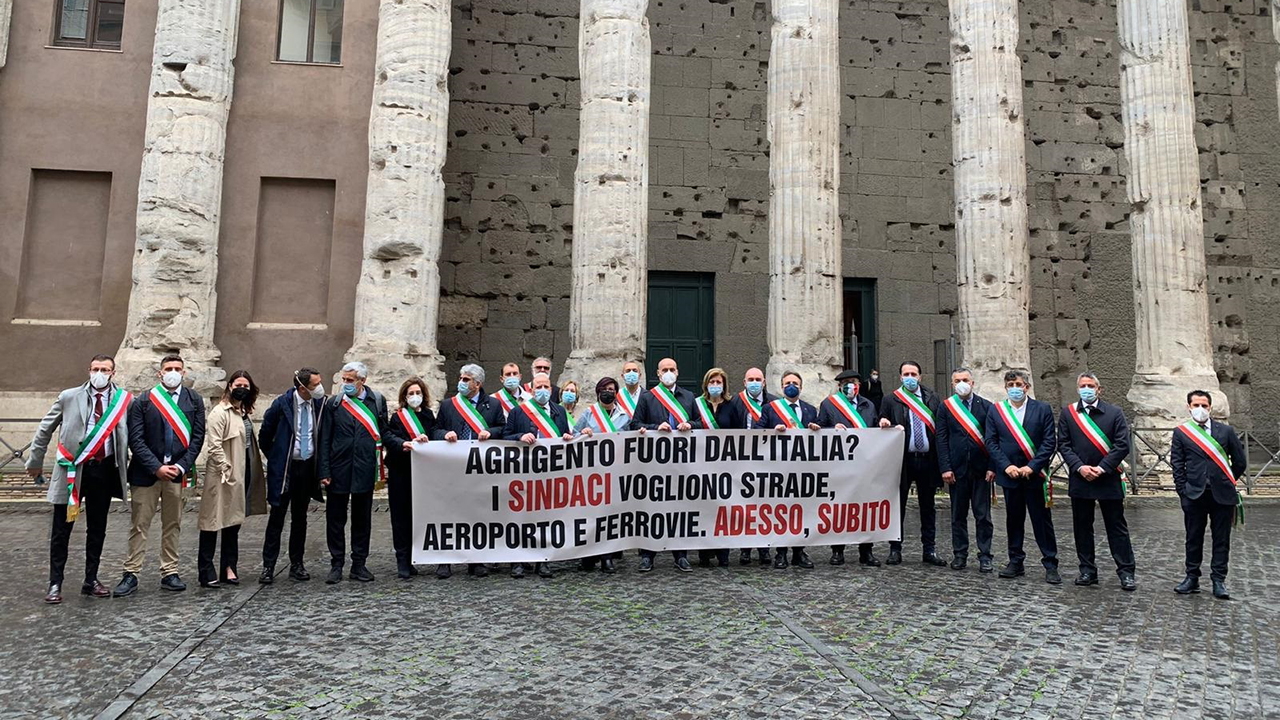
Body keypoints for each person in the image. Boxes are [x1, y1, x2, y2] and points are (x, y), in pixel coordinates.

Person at [27, 354, 132, 604]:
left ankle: (91, 579)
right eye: (96, 369)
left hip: (104, 470)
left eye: (105, 370)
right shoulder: (69, 396)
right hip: (72, 471)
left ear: (113, 373)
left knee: (97, 528)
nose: (99, 374)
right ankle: (55, 583)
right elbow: (45, 428)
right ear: (89, 370)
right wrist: (35, 461)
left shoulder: (125, 401)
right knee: (61, 529)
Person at [115, 354, 207, 597]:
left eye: (177, 368)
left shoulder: (194, 400)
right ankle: (131, 572)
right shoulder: (144, 400)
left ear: (184, 372)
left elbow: (198, 438)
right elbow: (136, 439)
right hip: (146, 474)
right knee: (139, 524)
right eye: (168, 368)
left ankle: (170, 571)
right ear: (160, 373)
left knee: (173, 524)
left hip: (177, 473)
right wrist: (156, 467)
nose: (173, 372)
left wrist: (181, 466)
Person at [1058, 372, 1135, 591]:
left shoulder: (1114, 413)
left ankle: (1126, 572)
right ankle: (1087, 570)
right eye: (1083, 386)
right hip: (1080, 477)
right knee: (1082, 527)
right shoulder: (1068, 413)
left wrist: (1102, 468)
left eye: (1090, 386)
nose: (1086, 389)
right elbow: (1063, 444)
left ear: (1099, 389)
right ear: (1077, 389)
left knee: (1116, 527)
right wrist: (1080, 467)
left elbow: (1122, 444)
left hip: (1107, 477)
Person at [985, 369, 1060, 585]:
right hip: (1010, 475)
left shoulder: (1042, 409)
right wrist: (1006, 466)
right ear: (1005, 388)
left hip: (1034, 476)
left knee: (1041, 521)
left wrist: (1032, 467)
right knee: (1014, 520)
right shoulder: (997, 410)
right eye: (1010, 385)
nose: (1015, 389)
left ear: (1026, 386)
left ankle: (1050, 564)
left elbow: (1049, 442)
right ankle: (1016, 561)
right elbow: (991, 442)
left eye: (1018, 384)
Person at [318, 361, 388, 584]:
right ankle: (336, 564)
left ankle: (359, 564)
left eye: (350, 380)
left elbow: (384, 433)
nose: (345, 383)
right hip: (338, 468)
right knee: (335, 520)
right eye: (344, 379)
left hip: (365, 467)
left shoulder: (377, 401)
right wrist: (324, 470)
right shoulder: (334, 403)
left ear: (362, 381)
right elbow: (325, 438)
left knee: (362, 519)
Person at [1171, 390, 1246, 600]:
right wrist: (1183, 491)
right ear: (1189, 407)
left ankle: (1218, 580)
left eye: (1204, 405)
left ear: (1210, 408)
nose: (1200, 409)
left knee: (1221, 539)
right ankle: (1192, 577)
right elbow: (1177, 464)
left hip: (1222, 494)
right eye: (1196, 405)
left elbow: (1240, 461)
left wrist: (1226, 480)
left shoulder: (1226, 431)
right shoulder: (1182, 433)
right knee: (1193, 538)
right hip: (1194, 494)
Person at [433, 363, 503, 578]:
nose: (461, 382)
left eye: (466, 379)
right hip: (453, 468)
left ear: (477, 384)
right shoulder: (448, 405)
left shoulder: (493, 404)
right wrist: (444, 434)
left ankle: (476, 561)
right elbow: (435, 430)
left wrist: (490, 432)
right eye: (461, 378)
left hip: (480, 469)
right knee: (449, 513)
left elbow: (503, 428)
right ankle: (445, 560)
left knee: (477, 514)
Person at [629, 357, 699, 572]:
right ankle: (648, 555)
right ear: (658, 374)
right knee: (652, 510)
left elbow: (700, 423)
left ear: (677, 372)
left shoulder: (688, 397)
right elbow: (635, 424)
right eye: (664, 369)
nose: (669, 372)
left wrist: (690, 424)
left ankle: (681, 555)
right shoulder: (648, 397)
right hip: (654, 465)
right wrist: (654, 428)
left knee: (680, 509)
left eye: (672, 369)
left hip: (682, 464)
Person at [198, 371, 267, 587]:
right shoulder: (220, 412)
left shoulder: (243, 411)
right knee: (212, 521)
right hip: (222, 475)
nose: (242, 389)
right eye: (239, 385)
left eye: (246, 386)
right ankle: (206, 570)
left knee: (233, 522)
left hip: (241, 472)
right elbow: (214, 445)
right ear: (229, 386)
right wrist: (225, 468)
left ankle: (229, 567)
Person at [258, 368, 326, 584]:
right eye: (315, 385)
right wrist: (277, 458)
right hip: (285, 469)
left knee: (300, 518)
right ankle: (268, 566)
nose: (320, 388)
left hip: (306, 469)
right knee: (277, 518)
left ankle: (297, 563)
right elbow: (265, 435)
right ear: (302, 388)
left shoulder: (319, 404)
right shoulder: (282, 404)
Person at [503, 372, 574, 579]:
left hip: (551, 474)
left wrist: (567, 437)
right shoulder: (518, 412)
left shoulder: (559, 411)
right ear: (531, 390)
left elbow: (565, 435)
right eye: (538, 387)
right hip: (524, 474)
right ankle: (518, 561)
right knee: (521, 518)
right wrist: (520, 436)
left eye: (546, 387)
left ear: (551, 390)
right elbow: (505, 437)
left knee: (547, 519)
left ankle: (543, 561)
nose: (542, 390)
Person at [878, 361, 945, 567]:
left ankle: (929, 549)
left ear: (920, 377)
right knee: (898, 506)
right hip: (903, 461)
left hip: (927, 460)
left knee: (928, 507)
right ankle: (895, 549)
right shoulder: (891, 399)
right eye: (906, 374)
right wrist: (885, 423)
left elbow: (940, 428)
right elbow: (881, 423)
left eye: (913, 374)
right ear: (900, 377)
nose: (910, 377)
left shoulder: (932, 398)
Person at [816, 369, 880, 567]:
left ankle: (866, 550)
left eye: (853, 382)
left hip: (865, 466)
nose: (850, 386)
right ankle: (837, 550)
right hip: (839, 466)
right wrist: (831, 430)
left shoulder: (868, 405)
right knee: (839, 507)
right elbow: (818, 429)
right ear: (839, 386)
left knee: (865, 508)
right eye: (845, 383)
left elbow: (876, 431)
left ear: (859, 385)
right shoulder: (829, 405)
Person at [935, 367, 995, 573]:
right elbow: (941, 439)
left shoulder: (986, 406)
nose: (962, 383)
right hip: (956, 470)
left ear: (972, 383)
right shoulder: (946, 407)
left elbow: (993, 440)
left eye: (965, 380)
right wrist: (945, 467)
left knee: (983, 516)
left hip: (981, 470)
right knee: (958, 516)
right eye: (958, 380)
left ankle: (985, 555)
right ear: (952, 384)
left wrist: (992, 467)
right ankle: (960, 554)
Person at [760, 371, 821, 569]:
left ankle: (799, 552)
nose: (791, 386)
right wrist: (772, 431)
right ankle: (781, 553)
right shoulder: (770, 409)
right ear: (781, 387)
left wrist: (816, 429)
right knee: (781, 511)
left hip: (803, 469)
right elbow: (756, 433)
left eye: (795, 383)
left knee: (801, 511)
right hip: (779, 469)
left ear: (801, 387)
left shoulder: (810, 410)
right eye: (787, 383)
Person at [718, 366, 775, 566]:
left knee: (764, 505)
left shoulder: (774, 403)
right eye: (750, 380)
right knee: (745, 506)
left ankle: (764, 548)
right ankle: (745, 549)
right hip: (742, 461)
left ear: (764, 382)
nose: (754, 383)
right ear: (744, 383)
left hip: (767, 461)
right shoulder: (735, 402)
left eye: (758, 379)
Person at [573, 376, 631, 574]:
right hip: (591, 473)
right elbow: (572, 436)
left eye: (612, 389)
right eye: (605, 389)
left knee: (609, 516)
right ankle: (588, 557)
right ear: (598, 392)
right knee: (590, 516)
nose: (608, 392)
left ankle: (607, 557)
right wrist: (582, 433)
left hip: (614, 473)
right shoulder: (589, 413)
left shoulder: (624, 417)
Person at [384, 377, 436, 580]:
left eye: (418, 393)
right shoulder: (398, 417)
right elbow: (389, 437)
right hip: (401, 472)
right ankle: (402, 559)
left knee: (418, 516)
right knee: (401, 518)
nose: (415, 396)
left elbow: (435, 436)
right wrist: (405, 443)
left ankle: (416, 555)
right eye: (411, 393)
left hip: (423, 474)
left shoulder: (428, 415)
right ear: (404, 397)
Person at [693, 367, 730, 567]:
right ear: (706, 385)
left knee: (723, 508)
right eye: (712, 382)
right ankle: (704, 552)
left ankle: (723, 552)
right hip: (701, 465)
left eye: (718, 382)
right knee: (704, 508)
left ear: (724, 385)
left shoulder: (732, 405)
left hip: (726, 466)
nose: (715, 385)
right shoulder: (697, 404)